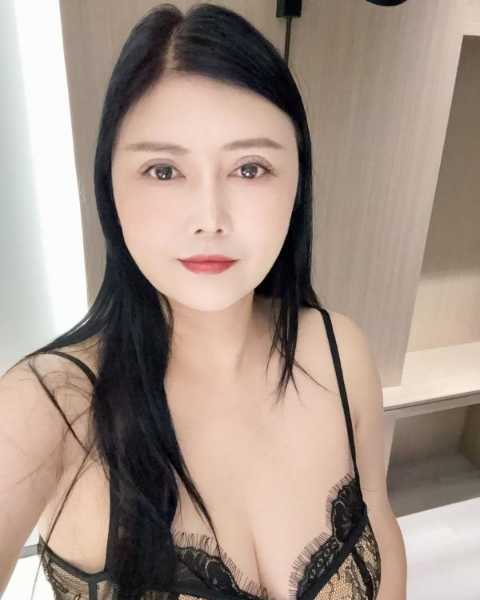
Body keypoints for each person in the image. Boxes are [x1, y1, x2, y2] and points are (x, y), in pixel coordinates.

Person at [0, 3, 407, 599]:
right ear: (110, 186)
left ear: (298, 182)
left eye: (250, 168)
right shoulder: (47, 408)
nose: (209, 218)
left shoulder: (340, 350)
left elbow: (382, 532)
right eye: (163, 171)